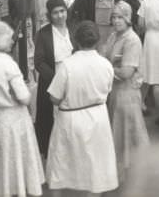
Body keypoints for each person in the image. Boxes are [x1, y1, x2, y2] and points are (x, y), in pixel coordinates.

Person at [0, 21, 44, 197]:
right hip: (13, 120)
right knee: (16, 162)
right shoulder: (7, 64)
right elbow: (24, 97)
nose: (12, 41)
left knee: (0, 162)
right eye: (9, 38)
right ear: (0, 41)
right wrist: (27, 92)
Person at [46, 21, 117, 196]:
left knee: (61, 164)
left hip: (71, 119)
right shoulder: (105, 65)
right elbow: (108, 90)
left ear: (76, 41)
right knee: (96, 166)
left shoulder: (67, 65)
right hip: (98, 117)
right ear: (98, 41)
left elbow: (54, 98)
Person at [101, 2, 149, 183]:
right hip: (114, 92)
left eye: (120, 17)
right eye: (113, 17)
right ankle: (121, 175)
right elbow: (104, 56)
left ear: (128, 18)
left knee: (127, 135)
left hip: (126, 94)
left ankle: (131, 178)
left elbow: (127, 72)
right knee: (117, 135)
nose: (116, 20)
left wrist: (106, 68)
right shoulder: (114, 36)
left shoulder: (132, 40)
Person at [32, 0, 74, 157]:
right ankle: (52, 150)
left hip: (73, 76)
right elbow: (39, 62)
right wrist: (56, 78)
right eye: (56, 12)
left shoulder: (73, 28)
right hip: (52, 78)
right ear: (50, 15)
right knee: (52, 114)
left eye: (62, 11)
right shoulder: (44, 34)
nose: (60, 15)